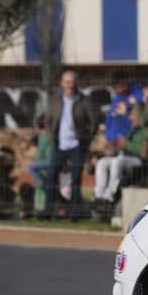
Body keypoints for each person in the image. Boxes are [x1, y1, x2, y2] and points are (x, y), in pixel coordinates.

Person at [43, 70, 95, 218]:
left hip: (76, 145)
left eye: (72, 82)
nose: (69, 85)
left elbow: (93, 122)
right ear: (61, 83)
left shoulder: (84, 100)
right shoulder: (54, 100)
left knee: (75, 179)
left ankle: (74, 213)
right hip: (59, 145)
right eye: (66, 82)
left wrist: (86, 139)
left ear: (76, 83)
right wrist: (51, 136)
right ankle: (48, 211)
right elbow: (47, 120)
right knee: (52, 177)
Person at [93, 104, 148, 204]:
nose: (130, 118)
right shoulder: (130, 129)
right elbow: (122, 146)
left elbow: (144, 153)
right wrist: (115, 144)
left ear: (139, 116)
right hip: (123, 157)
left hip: (137, 160)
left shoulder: (146, 131)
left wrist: (126, 144)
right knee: (102, 162)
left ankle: (110, 195)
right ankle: (99, 195)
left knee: (117, 161)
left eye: (133, 115)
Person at [105, 72, 142, 144]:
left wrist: (128, 105)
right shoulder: (116, 99)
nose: (118, 89)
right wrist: (110, 136)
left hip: (131, 138)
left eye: (121, 85)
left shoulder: (136, 92)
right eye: (116, 86)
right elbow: (111, 119)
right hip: (116, 139)